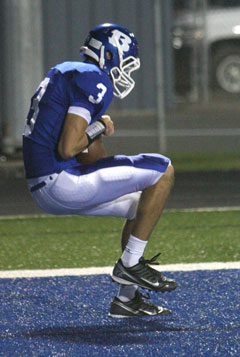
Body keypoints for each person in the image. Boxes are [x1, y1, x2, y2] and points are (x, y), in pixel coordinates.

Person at [22, 23, 177, 318]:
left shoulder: (67, 72)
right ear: (108, 54)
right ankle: (130, 265)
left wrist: (94, 134)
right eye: (124, 61)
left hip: (45, 183)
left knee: (139, 205)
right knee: (163, 169)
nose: (125, 70)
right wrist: (100, 125)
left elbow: (86, 156)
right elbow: (69, 148)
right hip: (60, 179)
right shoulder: (93, 78)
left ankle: (126, 301)